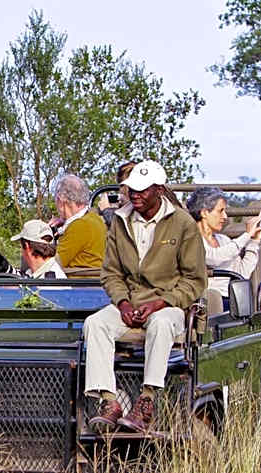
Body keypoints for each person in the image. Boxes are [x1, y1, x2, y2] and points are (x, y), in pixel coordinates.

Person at [84, 160, 207, 434]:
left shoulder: (183, 223)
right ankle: (109, 401)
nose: (135, 195)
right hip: (131, 302)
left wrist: (161, 302)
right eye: (132, 189)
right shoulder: (120, 220)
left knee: (161, 323)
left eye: (142, 190)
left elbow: (195, 280)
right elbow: (111, 273)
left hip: (168, 303)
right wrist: (123, 303)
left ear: (159, 190)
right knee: (94, 323)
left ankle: (146, 401)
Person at [186, 186, 261, 306]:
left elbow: (241, 274)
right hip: (204, 301)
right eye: (220, 211)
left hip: (230, 299)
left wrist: (254, 241)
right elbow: (213, 258)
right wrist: (247, 235)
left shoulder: (224, 240)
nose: (225, 217)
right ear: (204, 212)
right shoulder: (190, 239)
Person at [51, 174, 106, 268]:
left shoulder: (79, 226)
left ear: (60, 200)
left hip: (76, 276)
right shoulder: (95, 218)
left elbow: (53, 264)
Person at [0, 219, 67, 279]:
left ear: (27, 246)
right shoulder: (42, 270)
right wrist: (6, 269)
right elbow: (25, 277)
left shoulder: (49, 282)